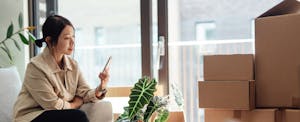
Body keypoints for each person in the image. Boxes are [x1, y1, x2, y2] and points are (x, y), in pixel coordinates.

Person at [13, 15, 110, 122]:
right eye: (67, 38)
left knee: (76, 115)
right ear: (49, 41)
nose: (72, 42)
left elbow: (84, 93)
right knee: (77, 116)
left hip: (58, 115)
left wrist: (101, 87)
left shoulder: (73, 65)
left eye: (73, 37)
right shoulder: (35, 67)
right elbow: (53, 105)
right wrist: (75, 103)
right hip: (31, 117)